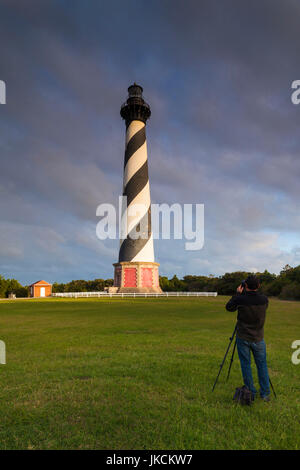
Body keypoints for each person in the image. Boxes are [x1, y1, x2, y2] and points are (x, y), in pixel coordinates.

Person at [225, 275, 270, 401]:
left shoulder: (241, 299)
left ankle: (251, 392)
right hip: (259, 337)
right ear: (258, 286)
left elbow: (229, 307)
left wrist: (237, 294)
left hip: (243, 336)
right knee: (262, 365)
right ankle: (265, 393)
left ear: (245, 286)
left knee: (246, 365)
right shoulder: (264, 300)